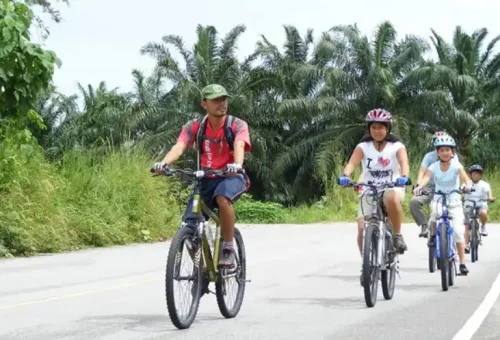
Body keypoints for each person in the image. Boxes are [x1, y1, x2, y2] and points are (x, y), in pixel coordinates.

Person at [152, 84, 251, 267]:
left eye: (224, 99)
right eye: (216, 100)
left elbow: (239, 145)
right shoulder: (195, 127)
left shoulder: (237, 124)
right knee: (188, 227)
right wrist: (164, 163)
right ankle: (201, 271)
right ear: (204, 104)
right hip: (206, 178)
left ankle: (227, 246)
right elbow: (179, 146)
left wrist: (237, 165)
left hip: (232, 176)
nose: (221, 104)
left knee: (223, 198)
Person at [338, 108, 410, 259]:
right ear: (369, 128)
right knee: (362, 228)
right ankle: (367, 264)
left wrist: (404, 176)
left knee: (390, 198)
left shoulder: (397, 146)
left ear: (387, 128)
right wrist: (346, 175)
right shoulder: (363, 147)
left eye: (381, 127)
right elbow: (352, 163)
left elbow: (404, 163)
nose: (377, 131)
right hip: (369, 188)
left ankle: (397, 236)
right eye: (374, 127)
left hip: (392, 186)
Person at [413, 135, 471, 275]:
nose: (445, 153)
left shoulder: (457, 166)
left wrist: (466, 186)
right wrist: (419, 187)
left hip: (454, 201)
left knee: (458, 231)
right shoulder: (433, 167)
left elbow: (466, 179)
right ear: (437, 152)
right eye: (442, 150)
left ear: (452, 152)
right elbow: (425, 178)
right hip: (439, 199)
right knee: (434, 214)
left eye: (447, 150)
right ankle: (433, 236)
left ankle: (462, 263)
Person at [410, 131, 461, 239]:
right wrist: (418, 185)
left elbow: (457, 173)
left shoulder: (453, 156)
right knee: (414, 201)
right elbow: (422, 172)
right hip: (429, 186)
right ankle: (424, 225)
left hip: (447, 188)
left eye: (447, 148)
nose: (444, 151)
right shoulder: (429, 156)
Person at [464, 164, 495, 253]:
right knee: (466, 225)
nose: (476, 175)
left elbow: (489, 192)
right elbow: (462, 190)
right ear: (470, 174)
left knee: (483, 213)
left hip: (481, 203)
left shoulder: (484, 184)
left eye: (478, 173)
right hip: (469, 203)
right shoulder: (467, 183)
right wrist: (462, 191)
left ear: (480, 175)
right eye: (474, 173)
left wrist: (490, 197)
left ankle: (483, 226)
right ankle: (466, 245)